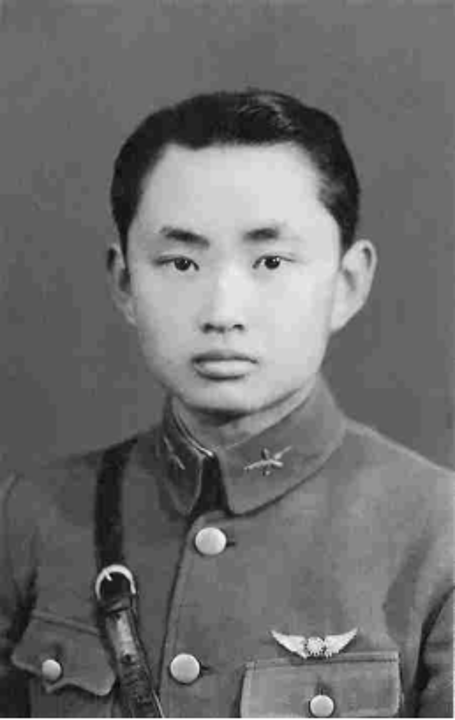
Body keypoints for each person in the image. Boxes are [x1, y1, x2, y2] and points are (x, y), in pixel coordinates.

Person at [0, 89, 453, 718]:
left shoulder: (438, 537)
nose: (222, 312)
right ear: (125, 283)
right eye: (181, 262)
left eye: (270, 260)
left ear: (347, 283)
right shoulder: (31, 518)